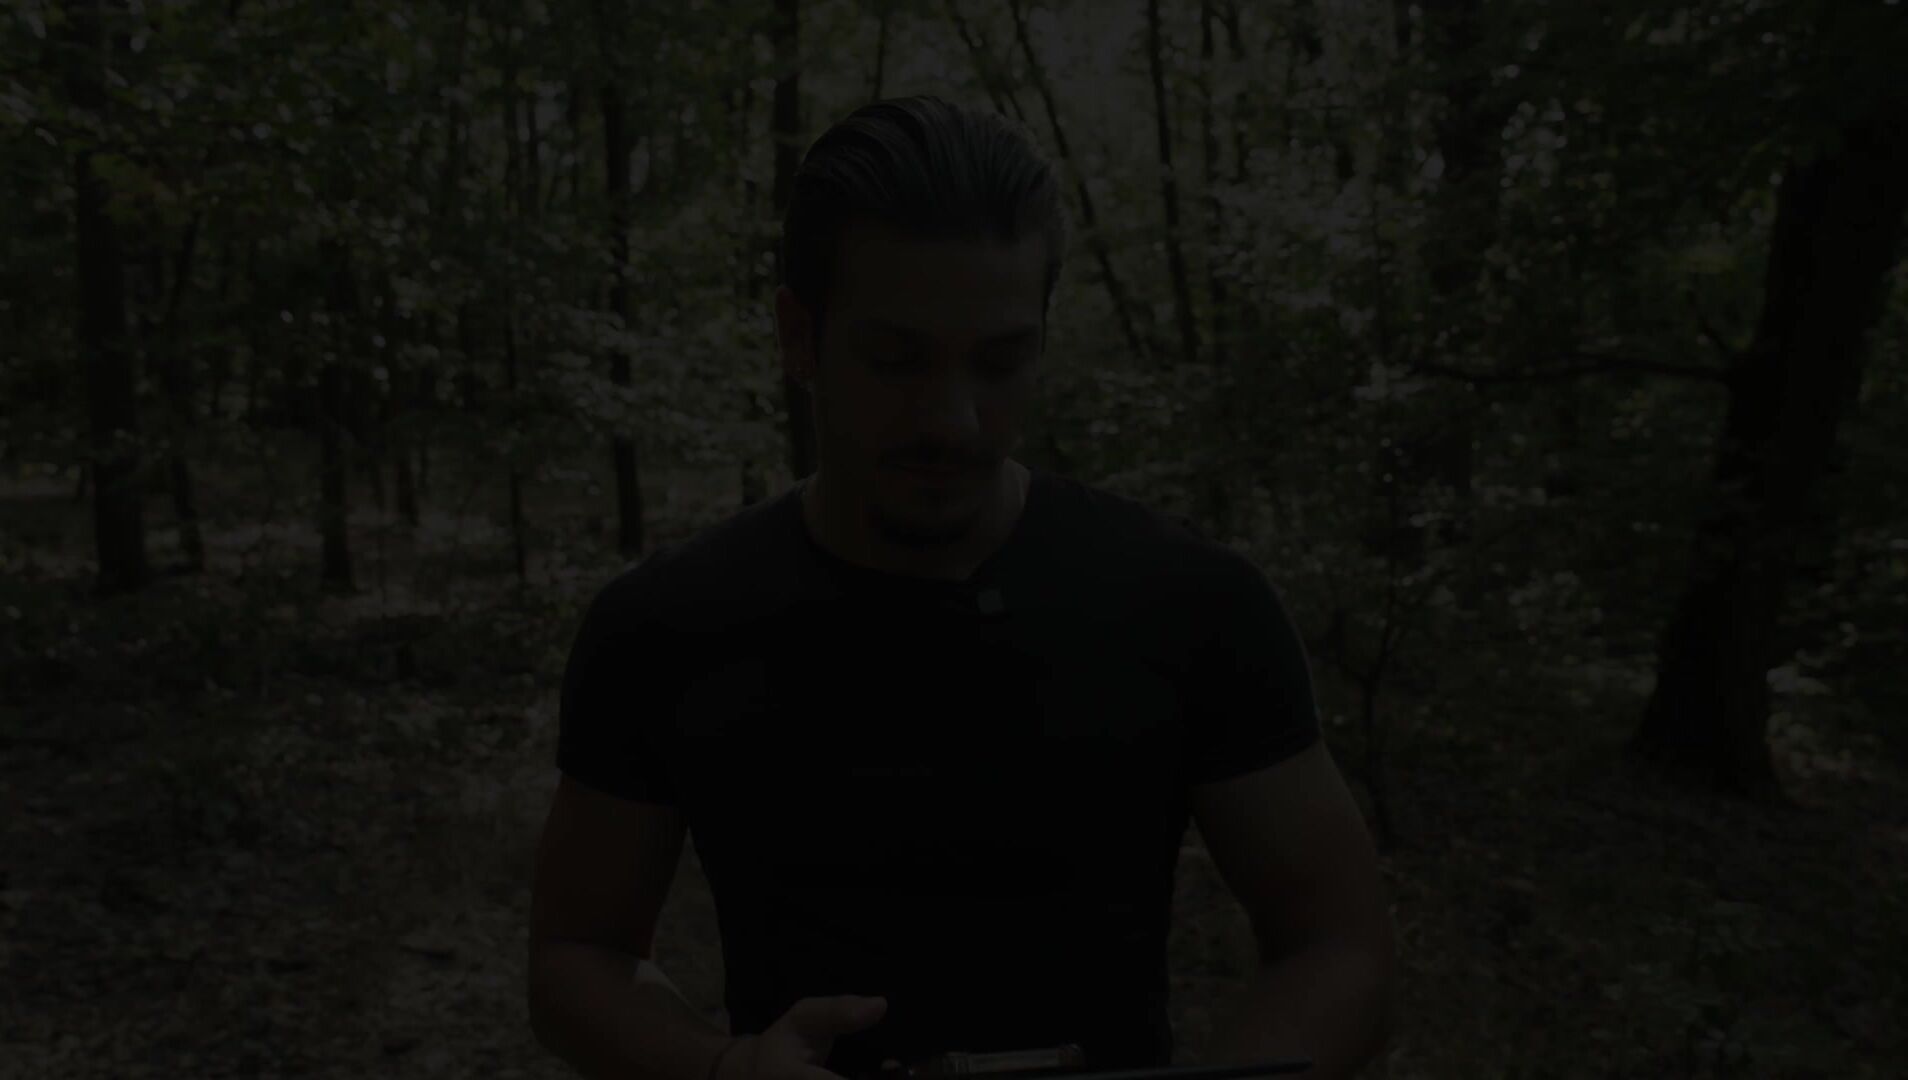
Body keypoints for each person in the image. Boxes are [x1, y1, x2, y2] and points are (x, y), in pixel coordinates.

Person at [528, 95, 1396, 1080]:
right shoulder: (666, 628)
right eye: (897, 360)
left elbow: (1340, 943)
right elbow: (576, 955)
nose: (954, 419)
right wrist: (724, 1070)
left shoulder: (1193, 606)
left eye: (999, 362)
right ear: (799, 337)